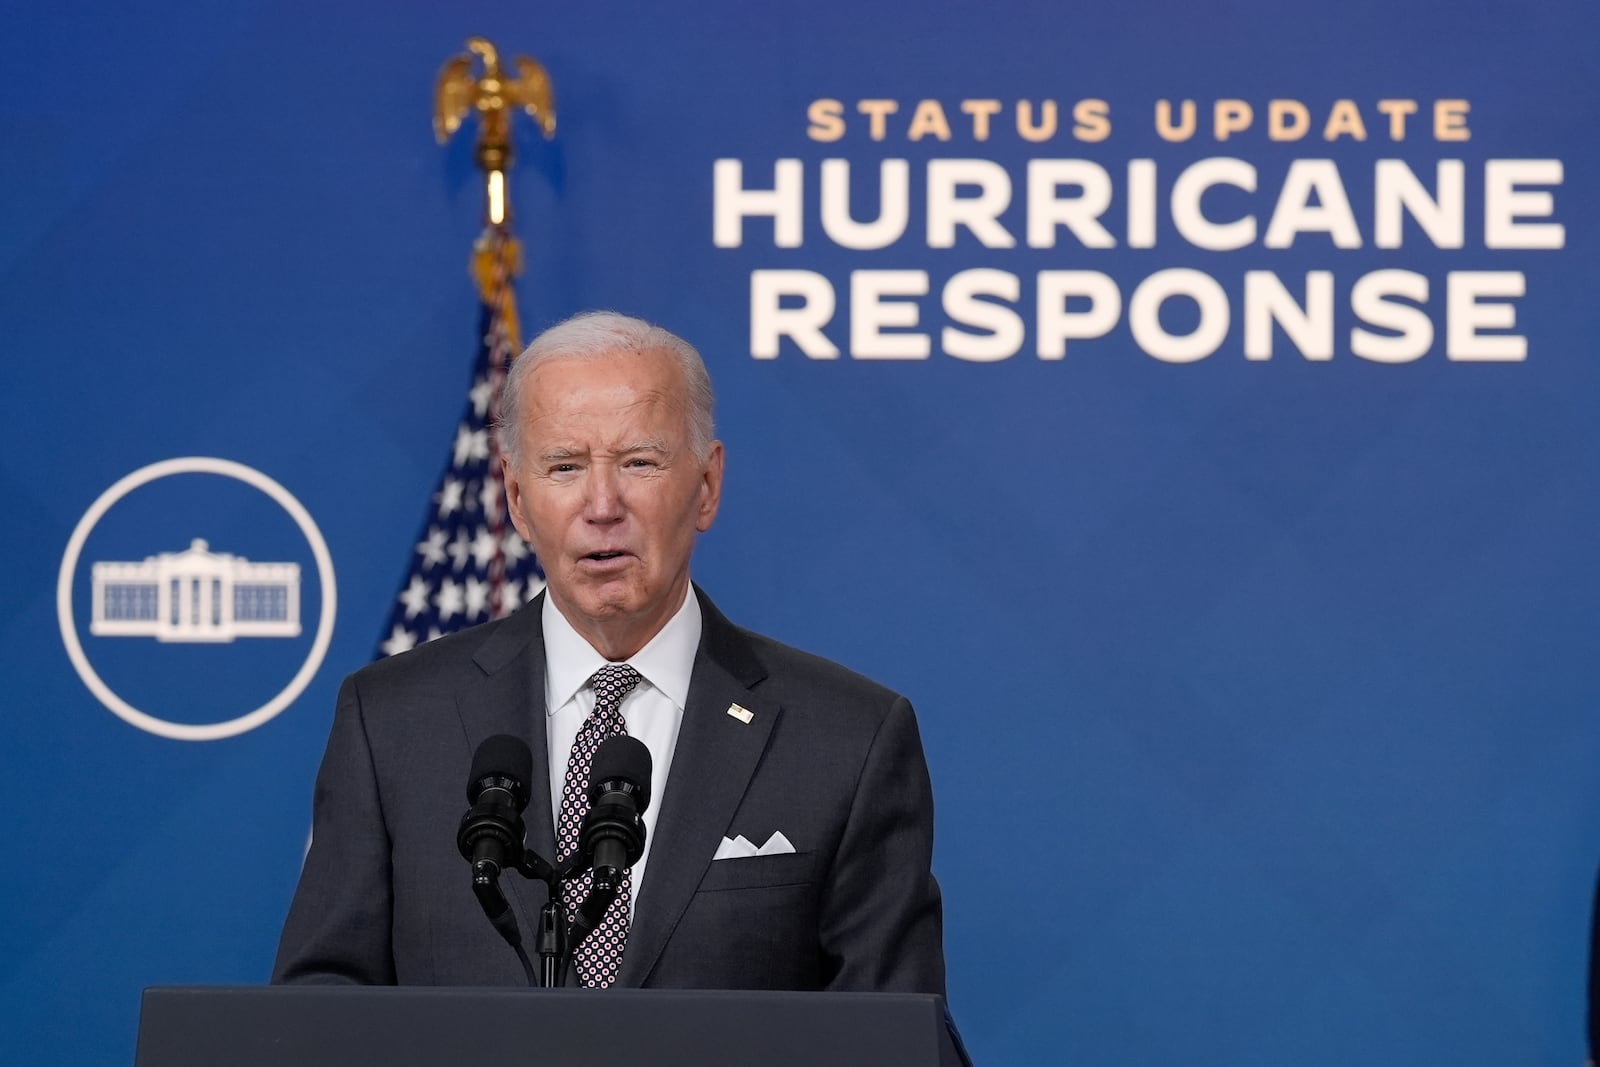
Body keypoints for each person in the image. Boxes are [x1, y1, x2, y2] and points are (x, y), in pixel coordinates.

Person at [272, 310, 946, 993]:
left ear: (706, 486)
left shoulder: (845, 738)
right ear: (516, 497)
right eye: (564, 466)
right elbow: (319, 1010)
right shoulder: (391, 722)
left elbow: (894, 1036)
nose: (602, 503)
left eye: (638, 462)